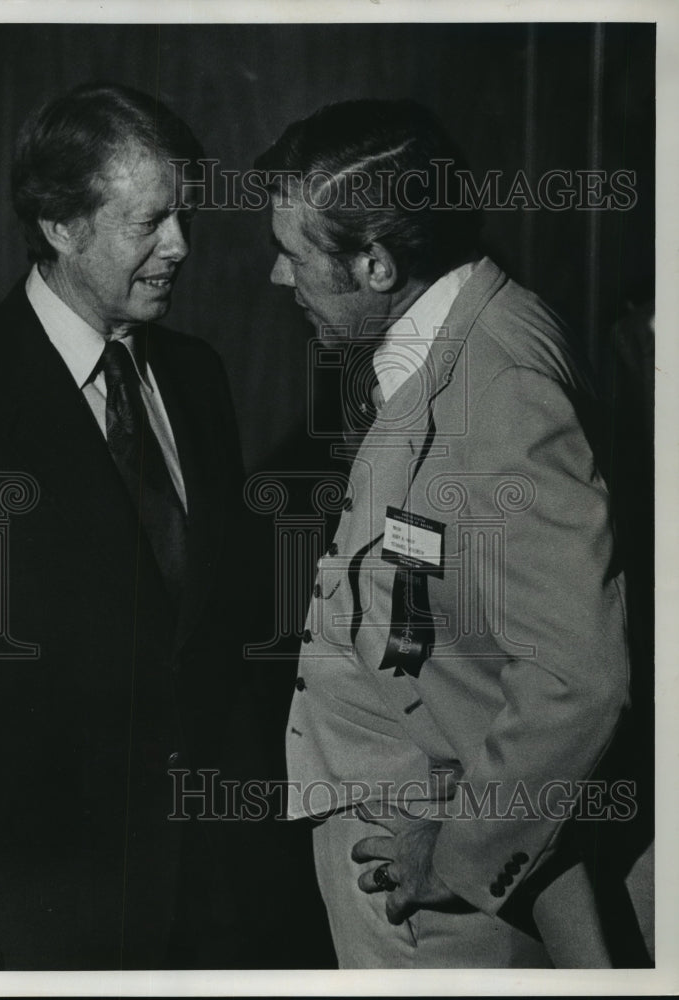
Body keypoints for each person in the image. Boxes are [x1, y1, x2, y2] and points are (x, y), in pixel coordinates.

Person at [255, 100, 631, 968]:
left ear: (378, 264)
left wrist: (458, 854)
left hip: (437, 899)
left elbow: (579, 679)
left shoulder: (502, 385)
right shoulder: (449, 330)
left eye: (293, 253)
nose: (279, 278)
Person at [0, 83, 248, 971]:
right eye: (149, 223)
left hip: (207, 905)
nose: (180, 247)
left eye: (182, 217)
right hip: (38, 916)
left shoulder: (199, 377)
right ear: (61, 227)